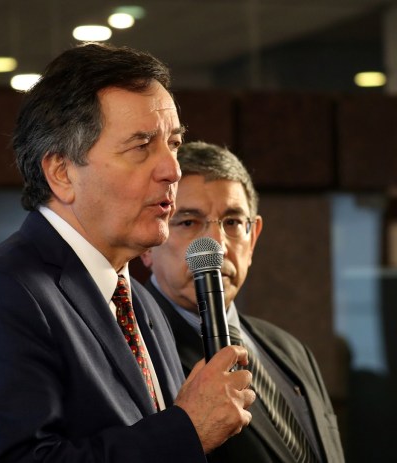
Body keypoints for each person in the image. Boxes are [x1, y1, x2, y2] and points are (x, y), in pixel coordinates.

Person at [0, 42, 255, 463]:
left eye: (173, 143)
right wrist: (187, 429)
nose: (172, 169)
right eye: (141, 146)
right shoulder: (2, 293)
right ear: (61, 172)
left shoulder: (139, 300)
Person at [140, 141, 345, 462]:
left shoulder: (290, 349)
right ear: (148, 244)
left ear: (254, 238)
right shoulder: (135, 350)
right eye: (188, 222)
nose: (217, 244)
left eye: (233, 222)